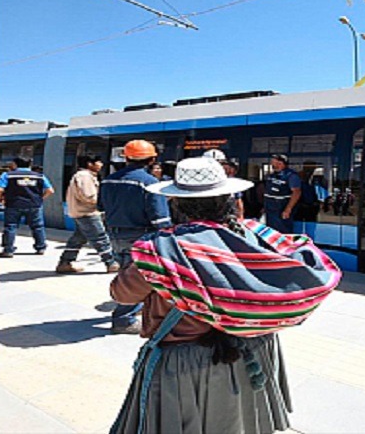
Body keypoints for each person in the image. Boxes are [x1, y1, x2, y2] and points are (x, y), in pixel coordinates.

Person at [109, 157, 342, 434]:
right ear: (227, 199)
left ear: (176, 202)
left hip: (188, 365)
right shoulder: (257, 234)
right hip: (253, 354)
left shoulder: (160, 249)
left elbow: (122, 294)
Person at [99, 140, 172, 334]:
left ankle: (130, 310)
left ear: (126, 157)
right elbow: (160, 218)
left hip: (115, 235)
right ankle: (123, 319)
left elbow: (100, 206)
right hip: (141, 236)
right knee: (139, 277)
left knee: (125, 273)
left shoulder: (108, 180)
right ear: (152, 159)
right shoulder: (149, 183)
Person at [56, 154, 120, 273]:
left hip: (81, 212)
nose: (101, 165)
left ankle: (65, 262)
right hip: (88, 212)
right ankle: (111, 262)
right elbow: (88, 196)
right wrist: (104, 202)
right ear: (90, 164)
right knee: (100, 238)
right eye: (98, 162)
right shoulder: (85, 176)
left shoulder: (83, 175)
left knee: (78, 239)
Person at [0, 157, 55, 257]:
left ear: (15, 164)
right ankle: (40, 248)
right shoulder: (39, 176)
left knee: (11, 226)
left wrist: (1, 199)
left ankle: (8, 250)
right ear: (30, 165)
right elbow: (50, 190)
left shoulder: (7, 175)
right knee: (37, 227)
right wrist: (40, 199)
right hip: (34, 205)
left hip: (13, 205)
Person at [263, 154, 301, 233]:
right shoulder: (272, 175)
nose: (273, 165)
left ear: (282, 163)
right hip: (270, 208)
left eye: (276, 163)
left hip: (281, 208)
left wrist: (288, 209)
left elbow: (296, 192)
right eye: (273, 163)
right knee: (270, 232)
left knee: (282, 231)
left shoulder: (291, 176)